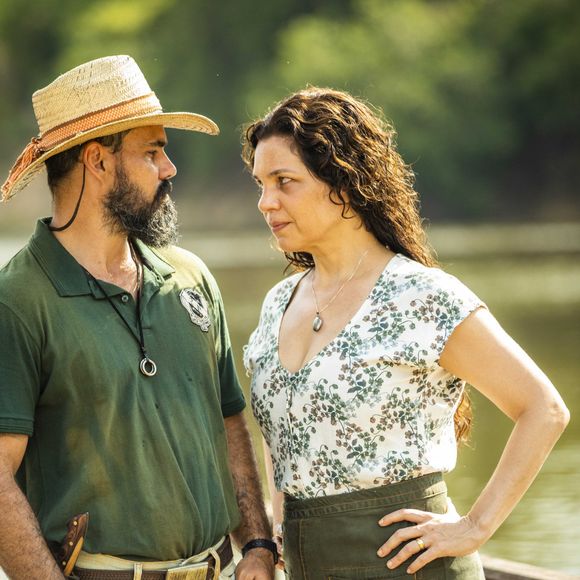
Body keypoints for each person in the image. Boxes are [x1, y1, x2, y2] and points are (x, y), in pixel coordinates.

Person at [241, 87, 570, 579]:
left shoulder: (420, 296)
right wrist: (272, 540)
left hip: (410, 566)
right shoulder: (276, 305)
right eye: (261, 184)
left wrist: (474, 527)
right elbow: (280, 440)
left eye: (285, 181)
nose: (267, 202)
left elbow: (543, 409)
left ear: (343, 182)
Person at [0, 55, 277, 580]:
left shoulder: (190, 276)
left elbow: (228, 420)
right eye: (152, 152)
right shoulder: (17, 300)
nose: (169, 169)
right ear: (97, 161)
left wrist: (258, 544)